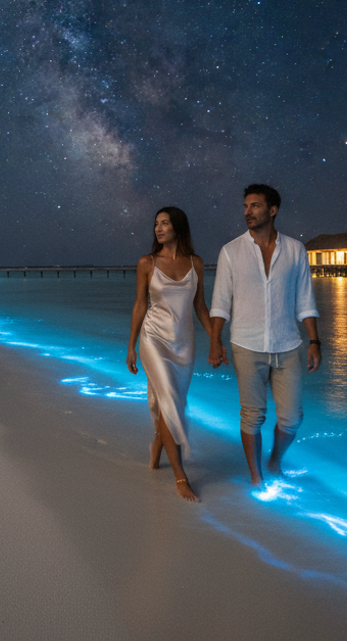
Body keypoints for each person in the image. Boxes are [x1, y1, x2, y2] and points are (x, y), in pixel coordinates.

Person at [208, 184, 321, 485]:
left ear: (273, 210)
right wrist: (215, 341)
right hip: (246, 344)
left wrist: (314, 341)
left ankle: (274, 461)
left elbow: (305, 300)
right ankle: (256, 476)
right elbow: (220, 302)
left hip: (288, 344)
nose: (247, 212)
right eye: (245, 206)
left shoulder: (295, 249)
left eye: (255, 206)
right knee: (252, 415)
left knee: (292, 417)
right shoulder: (231, 251)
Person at [127, 206, 214, 502]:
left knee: (172, 401)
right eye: (156, 224)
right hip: (153, 340)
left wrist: (217, 339)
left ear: (178, 227)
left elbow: (200, 307)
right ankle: (180, 475)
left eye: (165, 223)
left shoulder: (196, 264)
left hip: (184, 344)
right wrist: (131, 345)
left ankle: (158, 441)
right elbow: (140, 305)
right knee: (168, 402)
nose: (158, 228)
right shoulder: (147, 263)